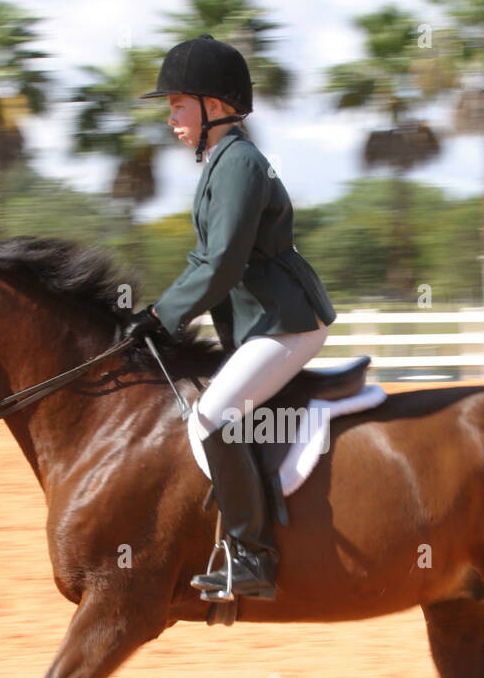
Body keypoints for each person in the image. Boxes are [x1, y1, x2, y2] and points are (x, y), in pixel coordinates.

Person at [128, 34, 337, 601]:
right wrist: (158, 313)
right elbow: (206, 260)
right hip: (261, 322)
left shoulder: (239, 162)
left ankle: (252, 557)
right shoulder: (221, 161)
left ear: (213, 106)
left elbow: (222, 262)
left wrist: (162, 315)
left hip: (286, 321)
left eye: (177, 104)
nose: (170, 117)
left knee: (214, 416)